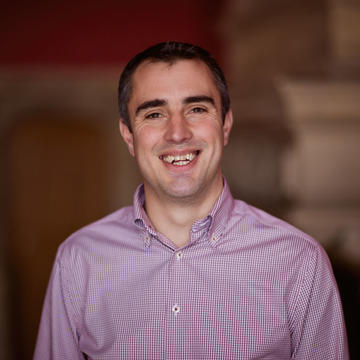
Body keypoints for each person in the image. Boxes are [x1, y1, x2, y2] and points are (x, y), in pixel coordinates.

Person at [34, 41, 349, 359]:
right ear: (129, 136)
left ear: (225, 124)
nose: (177, 133)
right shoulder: (79, 261)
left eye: (196, 109)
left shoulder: (299, 262)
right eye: (155, 114)